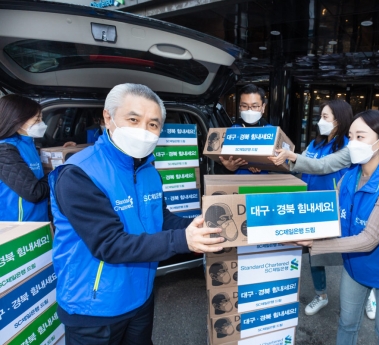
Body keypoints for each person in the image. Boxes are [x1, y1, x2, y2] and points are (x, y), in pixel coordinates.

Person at [49, 83, 224, 345]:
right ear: (108, 117)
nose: (143, 130)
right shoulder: (79, 174)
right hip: (95, 307)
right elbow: (109, 244)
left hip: (140, 295)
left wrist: (200, 226)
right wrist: (182, 240)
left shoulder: (148, 170)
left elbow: (161, 219)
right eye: (133, 119)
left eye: (153, 124)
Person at [292, 110, 379, 345]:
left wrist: (316, 244)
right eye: (350, 137)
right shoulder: (350, 175)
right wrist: (294, 223)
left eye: (360, 137)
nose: (352, 143)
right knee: (347, 323)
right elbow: (329, 211)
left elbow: (369, 239)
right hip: (353, 266)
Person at [290, 100, 353, 316]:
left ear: (339, 119)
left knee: (350, 252)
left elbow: (322, 166)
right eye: (320, 116)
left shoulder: (348, 146)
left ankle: (367, 293)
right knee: (314, 251)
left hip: (335, 208)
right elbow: (303, 163)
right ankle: (321, 294)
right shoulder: (315, 144)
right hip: (311, 206)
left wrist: (292, 157)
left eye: (325, 117)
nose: (320, 121)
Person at [0, 94, 49, 221]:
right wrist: (59, 172)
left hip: (37, 220)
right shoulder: (5, 151)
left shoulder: (28, 143)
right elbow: (34, 193)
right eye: (37, 119)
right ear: (18, 120)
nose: (41, 123)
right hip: (19, 226)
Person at [219, 84, 270, 174]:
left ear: (263, 107)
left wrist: (264, 165)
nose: (249, 110)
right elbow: (219, 165)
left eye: (254, 106)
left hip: (263, 185)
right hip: (237, 185)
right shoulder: (231, 133)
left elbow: (286, 165)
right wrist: (229, 168)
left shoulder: (271, 132)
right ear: (239, 107)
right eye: (244, 106)